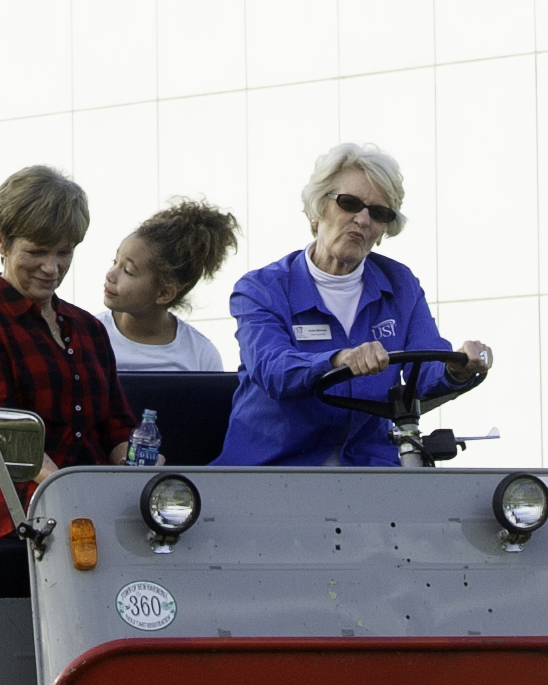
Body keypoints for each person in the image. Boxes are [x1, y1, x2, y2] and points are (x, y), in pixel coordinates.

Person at [214, 143, 494, 466]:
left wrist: (456, 367)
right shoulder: (261, 289)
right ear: (316, 211)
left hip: (370, 472)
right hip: (273, 471)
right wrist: (338, 360)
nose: (362, 220)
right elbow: (273, 368)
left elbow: (426, 368)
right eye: (349, 204)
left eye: (378, 213)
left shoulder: (401, 284)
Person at [0, 166, 133, 541]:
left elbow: (116, 423)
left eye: (64, 252)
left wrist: (137, 468)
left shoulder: (88, 328)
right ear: (2, 243)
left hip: (76, 491)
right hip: (1, 491)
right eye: (37, 252)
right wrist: (71, 489)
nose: (52, 268)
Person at [97, 199, 241, 371]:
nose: (110, 275)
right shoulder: (87, 336)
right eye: (115, 261)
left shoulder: (201, 355)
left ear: (164, 293)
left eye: (128, 270)